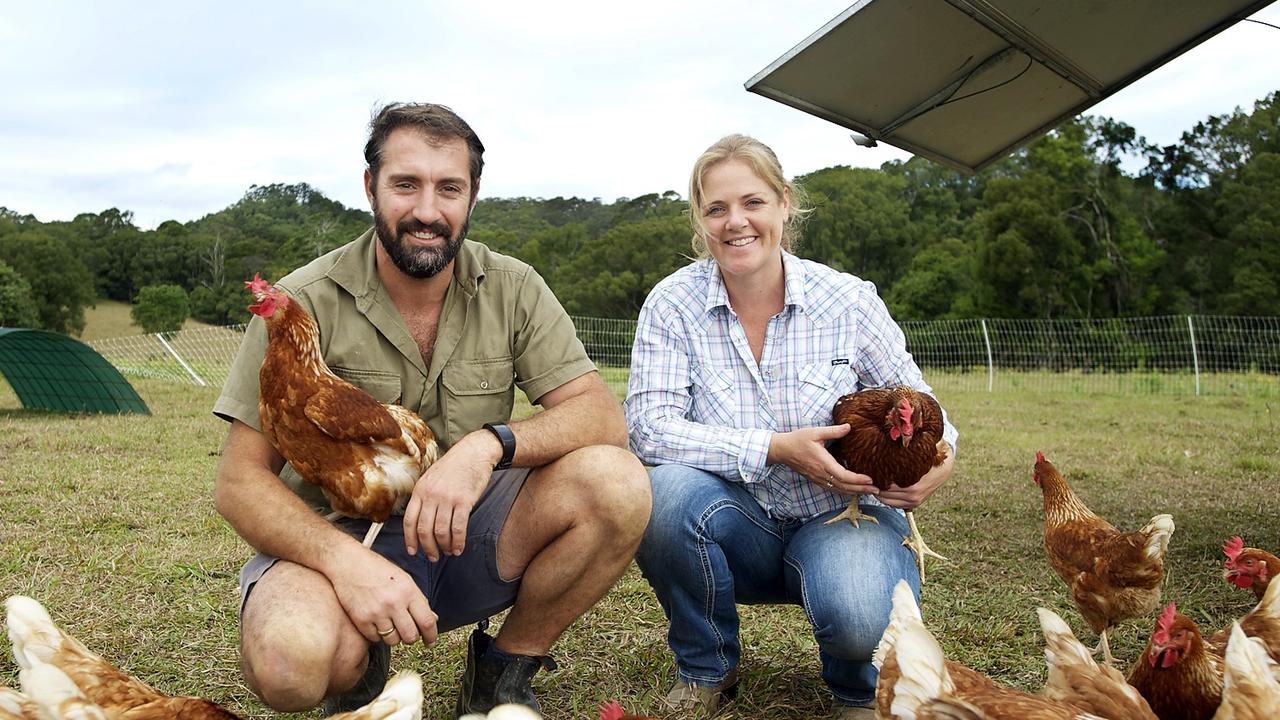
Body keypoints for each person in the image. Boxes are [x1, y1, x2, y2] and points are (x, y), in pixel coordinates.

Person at [213, 102, 651, 718]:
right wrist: (346, 564)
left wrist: (485, 447)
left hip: (469, 531)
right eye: (405, 184)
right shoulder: (303, 301)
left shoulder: (514, 285)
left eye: (449, 188)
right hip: (336, 536)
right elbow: (238, 483)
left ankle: (502, 669)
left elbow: (600, 417)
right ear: (370, 187)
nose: (427, 210)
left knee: (618, 483)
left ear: (473, 194)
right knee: (289, 668)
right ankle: (358, 669)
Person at [624, 134, 957, 719]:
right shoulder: (672, 305)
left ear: (783, 203)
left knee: (860, 616)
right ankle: (708, 665)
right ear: (700, 220)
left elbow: (925, 406)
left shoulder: (847, 300)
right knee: (661, 492)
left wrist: (941, 461)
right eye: (716, 208)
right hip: (734, 519)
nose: (736, 223)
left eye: (752, 202)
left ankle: (858, 684)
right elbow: (649, 428)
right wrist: (773, 448)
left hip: (842, 512)